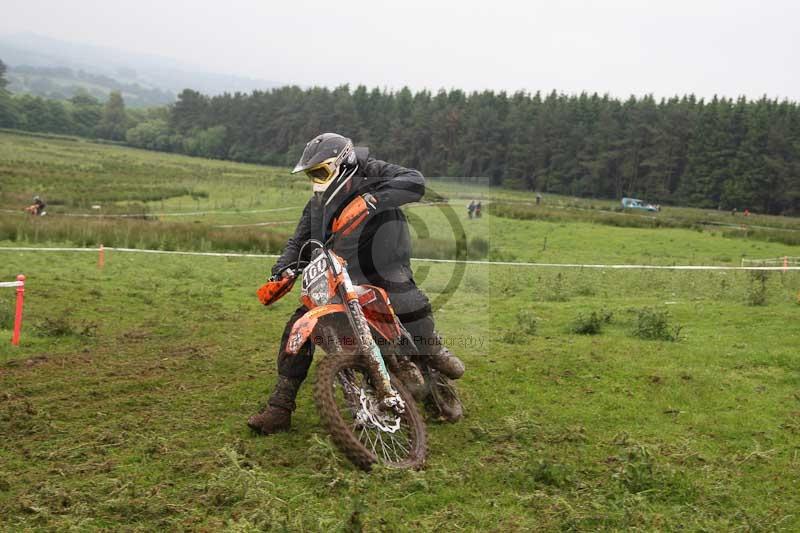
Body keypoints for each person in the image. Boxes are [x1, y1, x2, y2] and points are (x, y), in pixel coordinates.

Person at [248, 133, 466, 435]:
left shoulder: (373, 172)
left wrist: (373, 199)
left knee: (407, 303)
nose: (316, 181)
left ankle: (432, 353)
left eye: (321, 172)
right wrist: (283, 270)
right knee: (298, 325)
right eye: (312, 174)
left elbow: (414, 181)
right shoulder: (319, 201)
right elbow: (299, 239)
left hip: (384, 264)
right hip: (340, 271)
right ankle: (279, 407)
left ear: (345, 163)